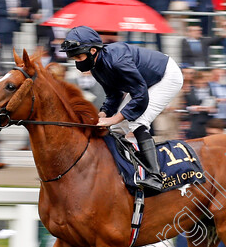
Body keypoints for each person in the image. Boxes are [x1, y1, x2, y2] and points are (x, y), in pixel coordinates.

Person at [61, 25, 184, 191]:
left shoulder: (117, 61)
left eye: (78, 56)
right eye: (73, 58)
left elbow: (141, 95)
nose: (76, 61)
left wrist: (114, 118)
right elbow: (114, 95)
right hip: (145, 81)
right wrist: (102, 114)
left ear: (92, 51)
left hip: (166, 76)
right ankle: (127, 171)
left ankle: (155, 176)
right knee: (117, 128)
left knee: (138, 122)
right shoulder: (97, 66)